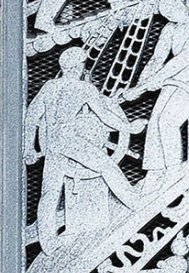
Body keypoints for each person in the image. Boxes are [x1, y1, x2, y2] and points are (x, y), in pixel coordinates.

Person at [24, 47, 146, 254]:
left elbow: (31, 117)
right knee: (107, 166)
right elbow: (105, 116)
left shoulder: (49, 86)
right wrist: (129, 127)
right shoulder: (84, 89)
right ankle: (137, 205)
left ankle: (48, 243)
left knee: (50, 193)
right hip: (70, 140)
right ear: (78, 67)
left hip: (52, 142)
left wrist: (29, 147)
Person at [122, 0, 189, 183]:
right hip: (175, 78)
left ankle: (174, 172)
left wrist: (146, 87)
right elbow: (156, 59)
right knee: (155, 121)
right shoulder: (170, 28)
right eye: (165, 13)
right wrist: (140, 85)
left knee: (167, 122)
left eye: (171, 8)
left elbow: (186, 56)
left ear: (180, 0)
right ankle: (155, 172)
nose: (170, 15)